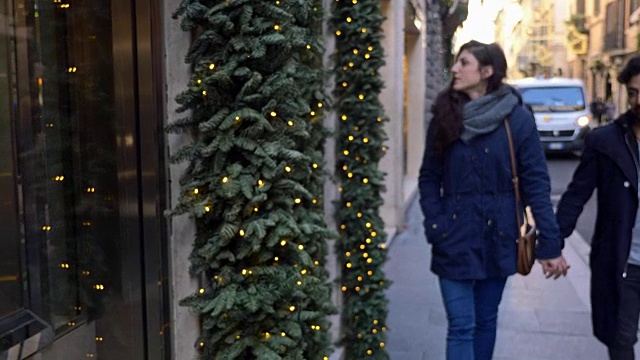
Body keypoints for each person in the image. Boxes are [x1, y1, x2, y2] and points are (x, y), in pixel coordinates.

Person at [418, 40, 570, 360]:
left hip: (499, 235)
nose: (455, 69)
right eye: (456, 63)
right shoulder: (444, 116)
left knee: (486, 321)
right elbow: (429, 177)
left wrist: (550, 244)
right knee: (461, 325)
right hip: (454, 235)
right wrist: (436, 224)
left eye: (463, 63)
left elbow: (536, 184)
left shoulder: (517, 119)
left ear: (486, 72)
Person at [556, 55, 640, 360]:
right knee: (620, 342)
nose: (638, 100)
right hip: (624, 264)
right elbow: (576, 195)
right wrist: (552, 244)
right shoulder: (605, 141)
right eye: (633, 92)